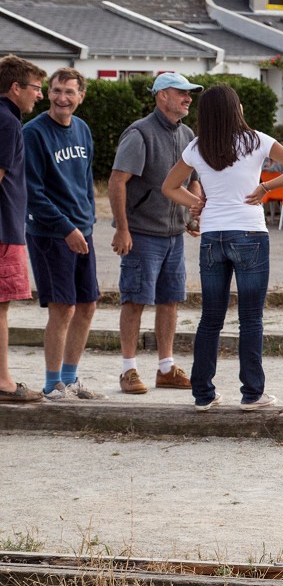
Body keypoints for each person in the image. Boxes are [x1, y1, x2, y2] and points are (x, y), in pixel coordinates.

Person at [161, 85, 283, 410]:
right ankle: (252, 393)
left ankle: (202, 394)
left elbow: (169, 186)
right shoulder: (257, 139)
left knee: (210, 317)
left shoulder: (197, 146)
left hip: (213, 235)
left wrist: (197, 202)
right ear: (235, 109)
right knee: (251, 318)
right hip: (250, 233)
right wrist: (265, 187)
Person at [109, 72, 204, 395]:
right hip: (141, 232)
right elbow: (117, 181)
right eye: (182, 93)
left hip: (173, 233)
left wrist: (191, 213)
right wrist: (122, 228)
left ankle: (166, 368)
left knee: (170, 301)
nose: (188, 98)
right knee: (135, 300)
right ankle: (128, 368)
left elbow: (191, 177)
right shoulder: (139, 133)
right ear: (162, 95)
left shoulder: (187, 133)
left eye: (190, 93)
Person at [23, 68, 106, 401]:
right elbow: (33, 191)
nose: (62, 98)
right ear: (49, 93)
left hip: (80, 229)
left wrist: (86, 221)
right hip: (50, 233)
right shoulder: (34, 133)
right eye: (56, 91)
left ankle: (71, 379)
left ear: (80, 96)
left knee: (87, 305)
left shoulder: (82, 129)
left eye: (69, 92)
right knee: (63, 308)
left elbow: (86, 181)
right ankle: (52, 384)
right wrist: (66, 228)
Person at [0, 55, 47, 403]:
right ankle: (3, 381)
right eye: (36, 88)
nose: (40, 96)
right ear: (15, 88)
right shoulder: (7, 122)